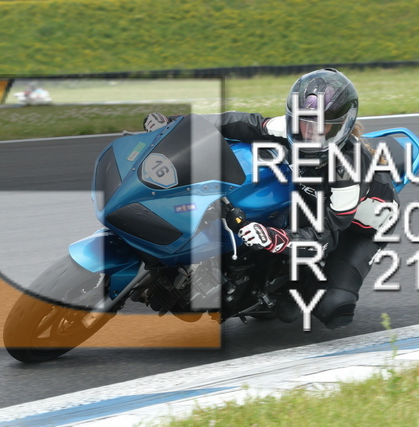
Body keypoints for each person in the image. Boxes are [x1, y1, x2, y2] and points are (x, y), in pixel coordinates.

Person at [143, 69, 398, 330]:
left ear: (342, 126)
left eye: (321, 126)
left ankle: (294, 290)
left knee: (330, 306)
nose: (310, 132)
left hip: (358, 225)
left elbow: (326, 236)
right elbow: (238, 122)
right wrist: (175, 123)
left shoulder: (349, 172)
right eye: (304, 122)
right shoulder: (286, 128)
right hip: (310, 196)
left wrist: (274, 238)